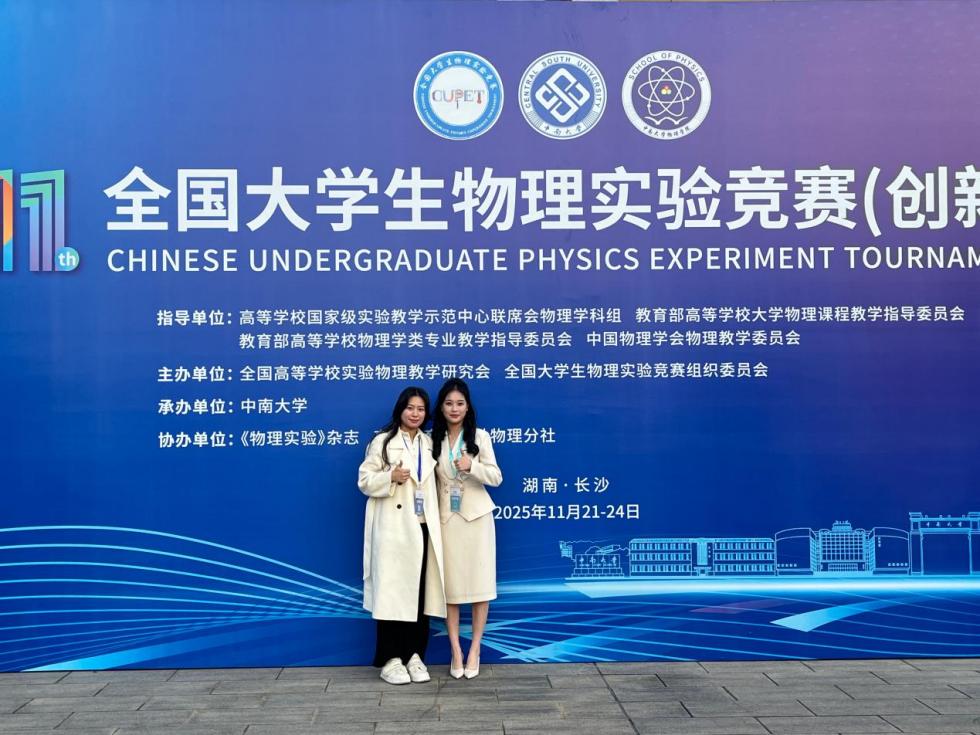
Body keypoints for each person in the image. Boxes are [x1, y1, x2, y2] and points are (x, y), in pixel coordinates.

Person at [358, 386, 446, 685]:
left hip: (423, 526)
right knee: (392, 593)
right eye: (410, 408)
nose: (415, 414)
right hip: (394, 528)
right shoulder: (383, 441)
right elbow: (364, 480)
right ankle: (390, 659)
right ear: (400, 409)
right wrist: (390, 477)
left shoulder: (429, 442)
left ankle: (415, 655)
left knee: (420, 594)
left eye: (421, 409)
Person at [431, 378, 502, 679]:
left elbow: (496, 477)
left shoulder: (480, 437)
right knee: (450, 589)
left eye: (460, 403)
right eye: (449, 403)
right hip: (446, 521)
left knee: (479, 587)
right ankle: (455, 650)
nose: (454, 409)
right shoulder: (431, 439)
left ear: (468, 406)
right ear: (441, 407)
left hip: (476, 520)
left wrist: (472, 467)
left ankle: (474, 649)